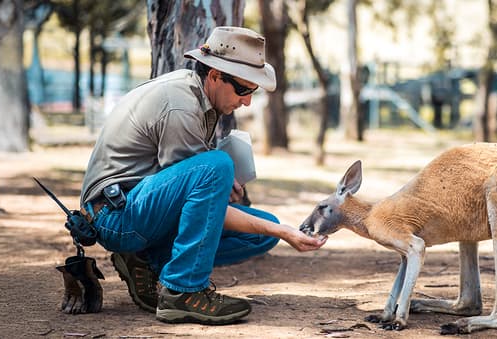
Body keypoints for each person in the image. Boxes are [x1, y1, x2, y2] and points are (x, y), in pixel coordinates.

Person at [78, 26, 327, 325]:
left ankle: (148, 260)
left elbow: (192, 204)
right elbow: (195, 197)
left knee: (261, 232)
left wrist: (265, 222)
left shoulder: (201, 98)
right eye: (243, 90)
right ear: (214, 76)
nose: (247, 101)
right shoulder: (181, 105)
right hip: (115, 217)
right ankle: (182, 292)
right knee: (220, 168)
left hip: (138, 208)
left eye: (253, 91)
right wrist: (284, 232)